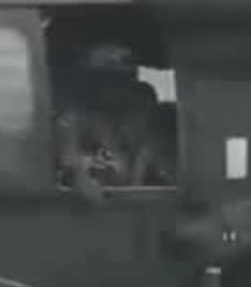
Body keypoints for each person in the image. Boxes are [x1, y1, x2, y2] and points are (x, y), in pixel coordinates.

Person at [54, 42, 170, 201]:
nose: (115, 87)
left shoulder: (143, 119)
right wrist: (79, 176)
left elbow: (164, 169)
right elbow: (69, 160)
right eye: (106, 79)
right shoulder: (74, 121)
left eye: (122, 79)